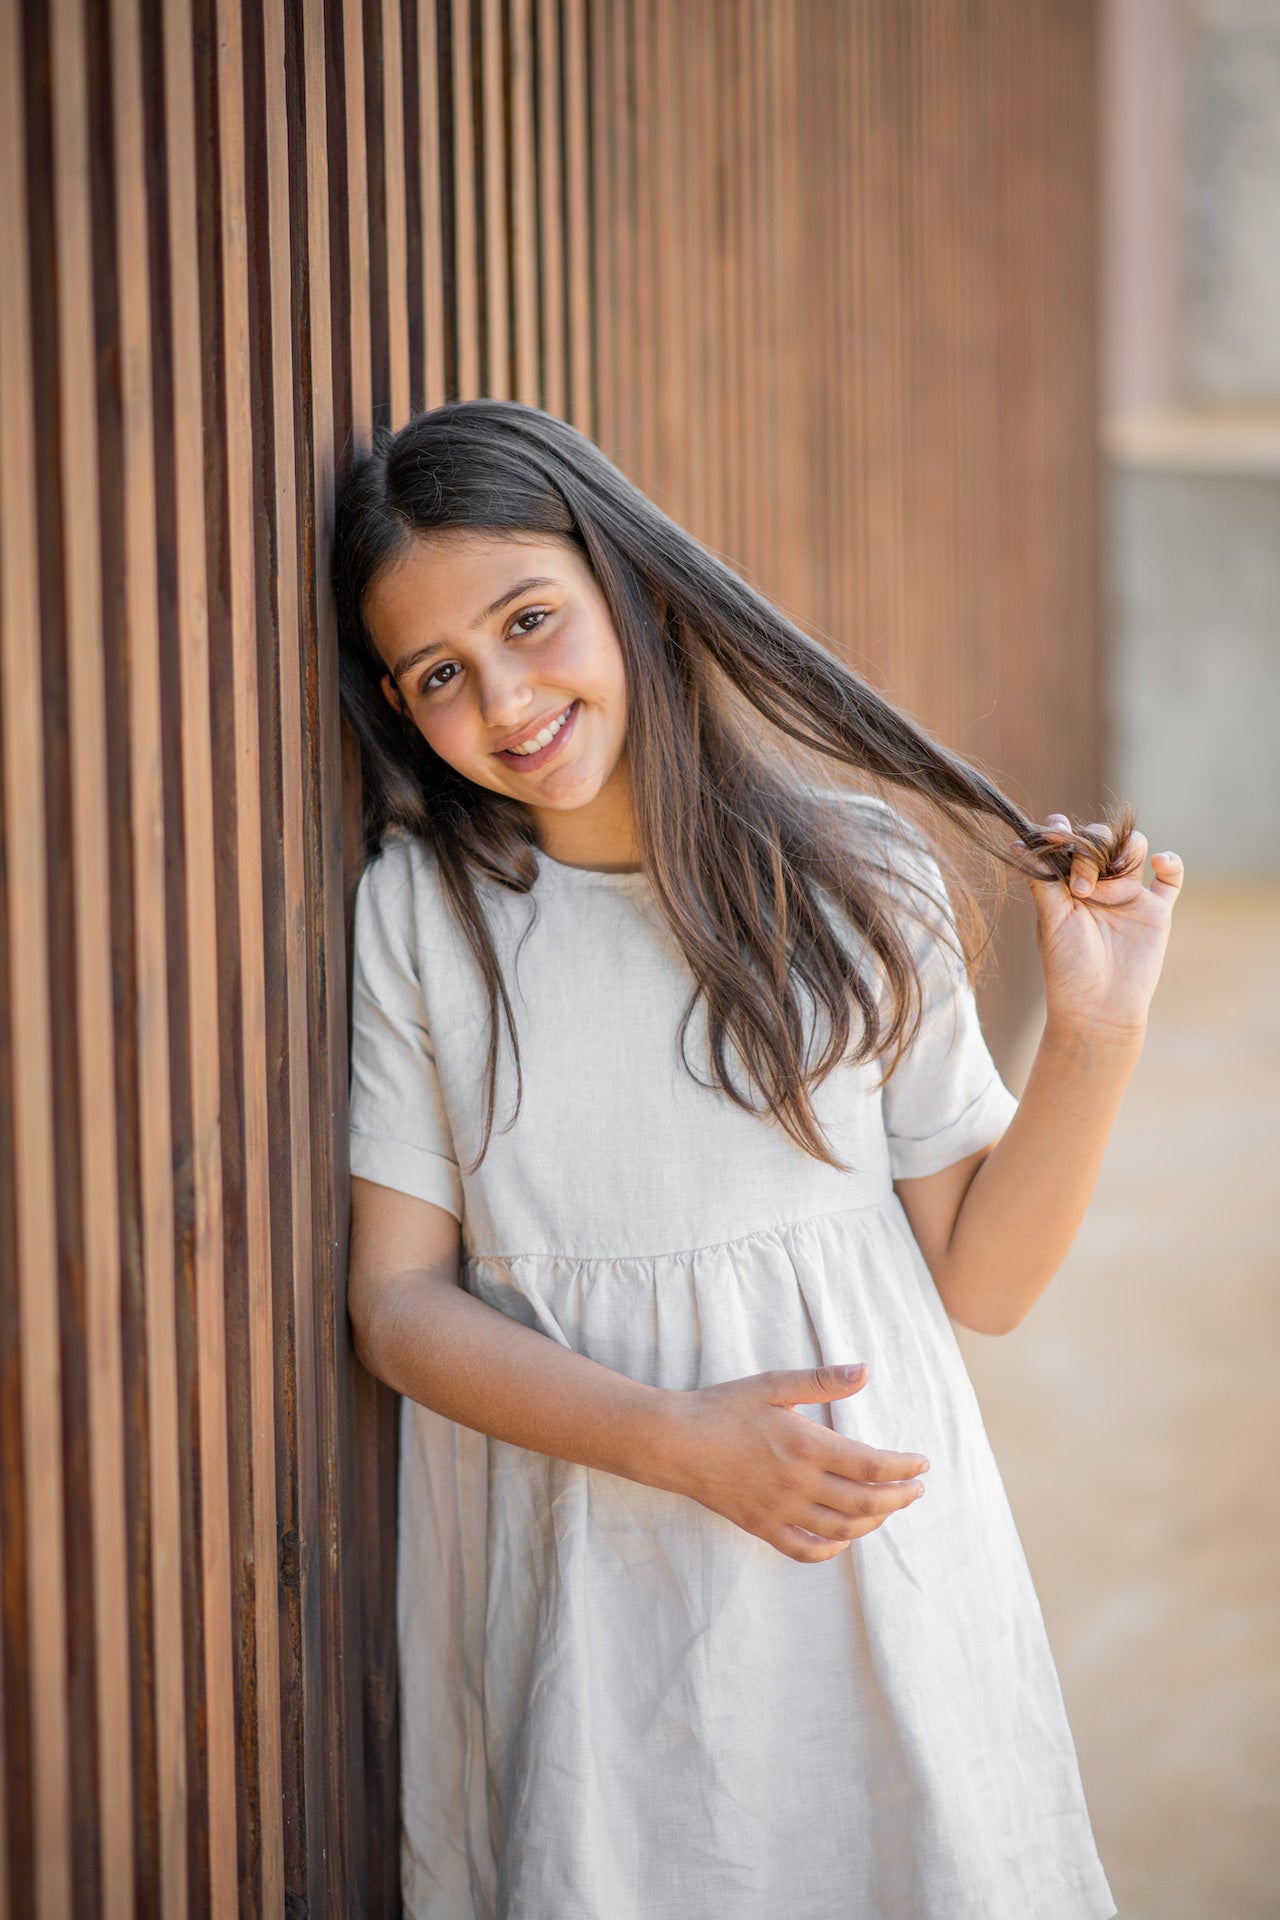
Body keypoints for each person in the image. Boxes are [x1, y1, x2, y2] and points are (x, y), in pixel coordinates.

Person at [333, 398, 1182, 1920]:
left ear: (631, 585)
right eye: (442, 675)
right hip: (594, 1580)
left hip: (862, 1576)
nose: (509, 697)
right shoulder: (426, 923)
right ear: (400, 710)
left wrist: (1095, 1036)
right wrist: (676, 1440)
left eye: (533, 621)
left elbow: (982, 1280)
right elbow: (397, 1308)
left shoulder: (861, 877)